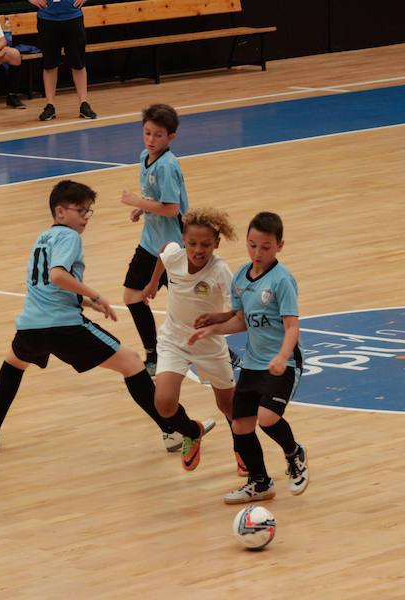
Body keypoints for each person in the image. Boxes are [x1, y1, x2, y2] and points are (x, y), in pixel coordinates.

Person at [0, 180, 181, 453]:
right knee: (131, 362)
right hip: (63, 326)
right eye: (80, 211)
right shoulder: (70, 238)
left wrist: (82, 300)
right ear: (60, 213)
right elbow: (57, 275)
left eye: (88, 212)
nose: (85, 217)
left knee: (14, 364)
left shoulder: (42, 238)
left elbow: (45, 284)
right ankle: (172, 431)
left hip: (31, 325)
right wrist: (94, 296)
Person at [189, 211, 309, 504]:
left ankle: (294, 453)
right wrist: (214, 328)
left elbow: (292, 326)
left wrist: (282, 358)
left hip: (282, 364)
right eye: (252, 245)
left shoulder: (282, 280)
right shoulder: (242, 276)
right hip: (254, 363)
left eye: (265, 247)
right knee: (240, 426)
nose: (257, 252)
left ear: (279, 246)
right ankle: (260, 482)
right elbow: (241, 319)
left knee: (267, 419)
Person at [144, 207, 244, 472]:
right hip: (174, 341)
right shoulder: (175, 256)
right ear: (184, 240)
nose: (198, 250)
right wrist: (153, 282)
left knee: (228, 405)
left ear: (216, 244)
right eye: (192, 243)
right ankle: (192, 431)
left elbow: (239, 311)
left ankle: (242, 449)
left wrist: (217, 317)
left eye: (206, 244)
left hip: (209, 345)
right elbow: (164, 250)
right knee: (163, 404)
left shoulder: (220, 271)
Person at [120, 103, 189, 377]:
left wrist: (138, 201)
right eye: (147, 133)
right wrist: (143, 207)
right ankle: (154, 353)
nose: (150, 140)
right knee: (132, 297)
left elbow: (172, 208)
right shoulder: (144, 157)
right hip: (150, 243)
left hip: (174, 247)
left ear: (171, 137)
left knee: (186, 309)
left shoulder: (168, 166)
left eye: (158, 135)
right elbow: (155, 197)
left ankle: (214, 349)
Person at [27, 0, 96, 121]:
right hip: (47, 19)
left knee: (78, 63)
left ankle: (84, 103)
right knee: (49, 64)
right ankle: (50, 105)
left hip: (73, 17)